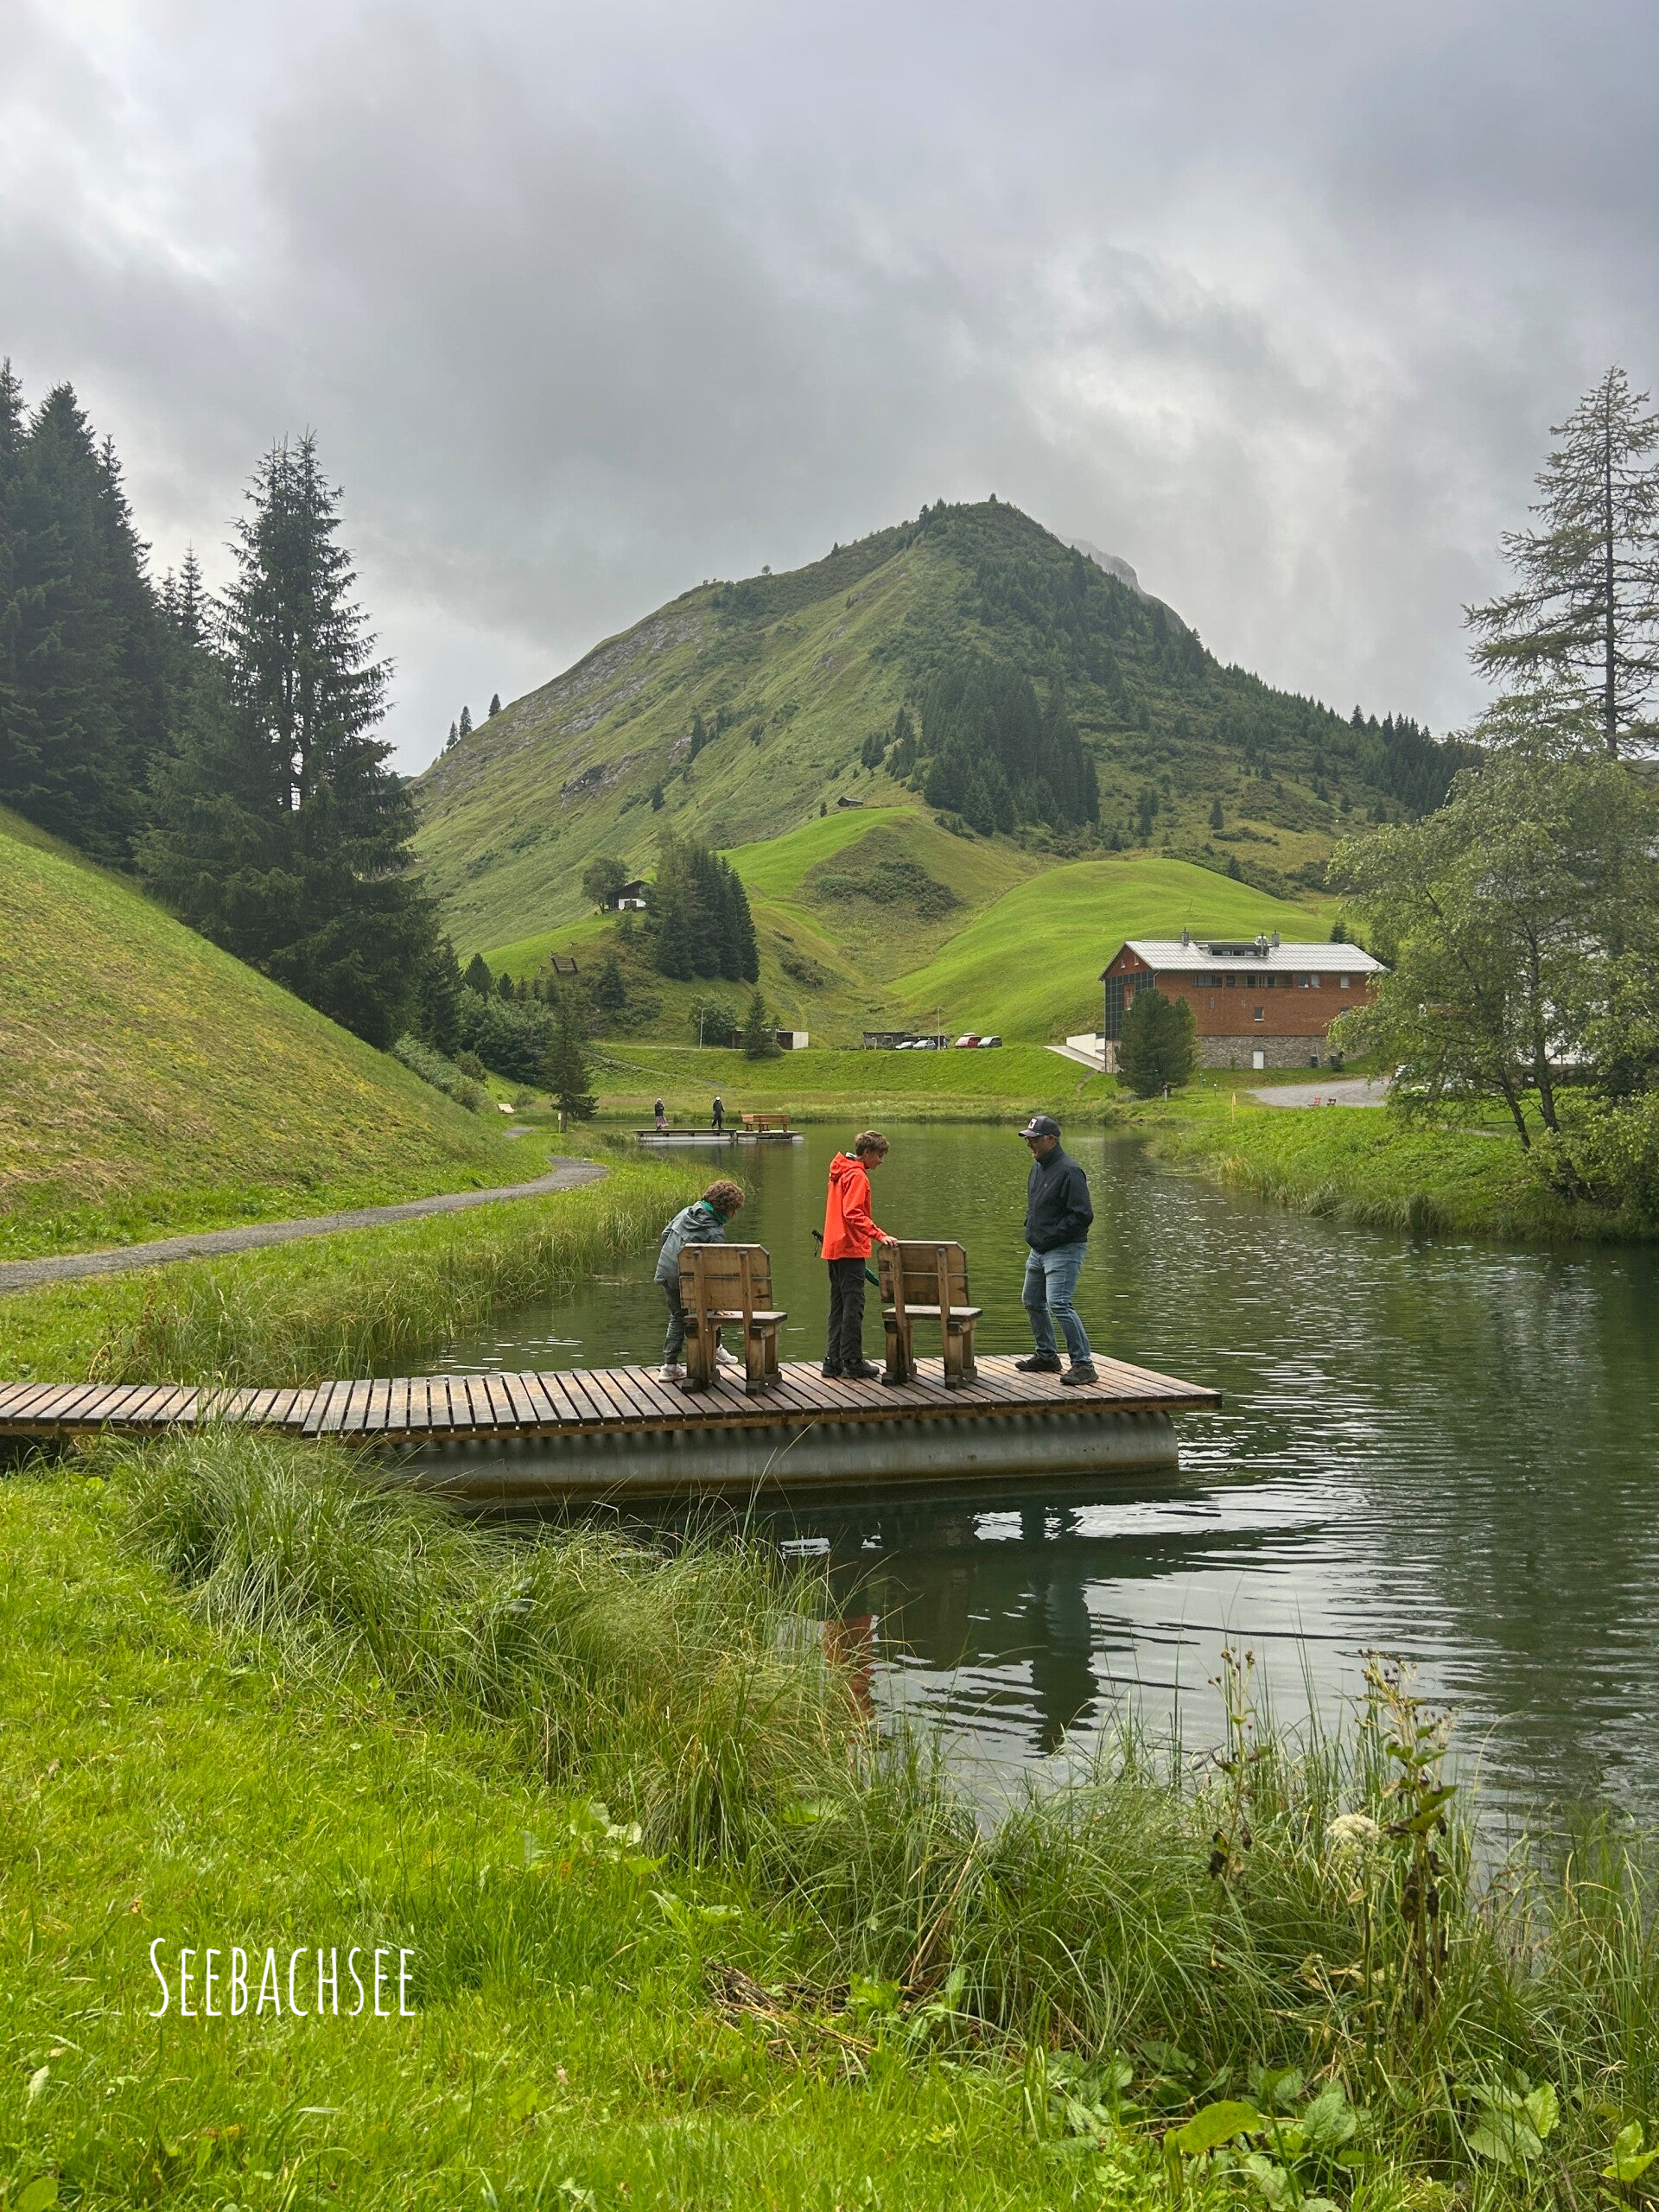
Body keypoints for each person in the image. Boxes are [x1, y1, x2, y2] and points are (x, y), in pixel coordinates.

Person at [1017, 1114, 1096, 1384]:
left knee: (1059, 1303)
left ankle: (1084, 1365)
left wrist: (1051, 1235)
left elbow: (1082, 1215)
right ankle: (1047, 1356)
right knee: (1031, 1301)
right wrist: (1032, 1227)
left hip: (1064, 1249)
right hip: (1039, 1249)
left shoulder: (1070, 1171)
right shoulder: (1038, 1166)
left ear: (1051, 1139)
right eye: (1029, 1140)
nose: (1030, 1145)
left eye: (1035, 1140)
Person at [654, 1179, 745, 1381]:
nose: (734, 1214)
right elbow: (717, 1272)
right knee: (713, 1308)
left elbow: (665, 1235)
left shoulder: (686, 1212)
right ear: (725, 1208)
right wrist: (718, 1302)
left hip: (667, 1271)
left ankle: (669, 1366)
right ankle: (716, 1348)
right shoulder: (715, 1232)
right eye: (734, 1210)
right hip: (689, 1278)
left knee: (678, 1316)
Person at [821, 1131, 893, 1379]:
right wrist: (879, 1235)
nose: (881, 1161)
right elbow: (853, 1213)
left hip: (833, 1247)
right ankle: (853, 1360)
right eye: (880, 1155)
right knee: (854, 1305)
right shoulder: (857, 1175)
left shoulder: (840, 1171)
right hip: (850, 1248)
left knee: (838, 1304)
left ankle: (832, 1361)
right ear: (867, 1153)